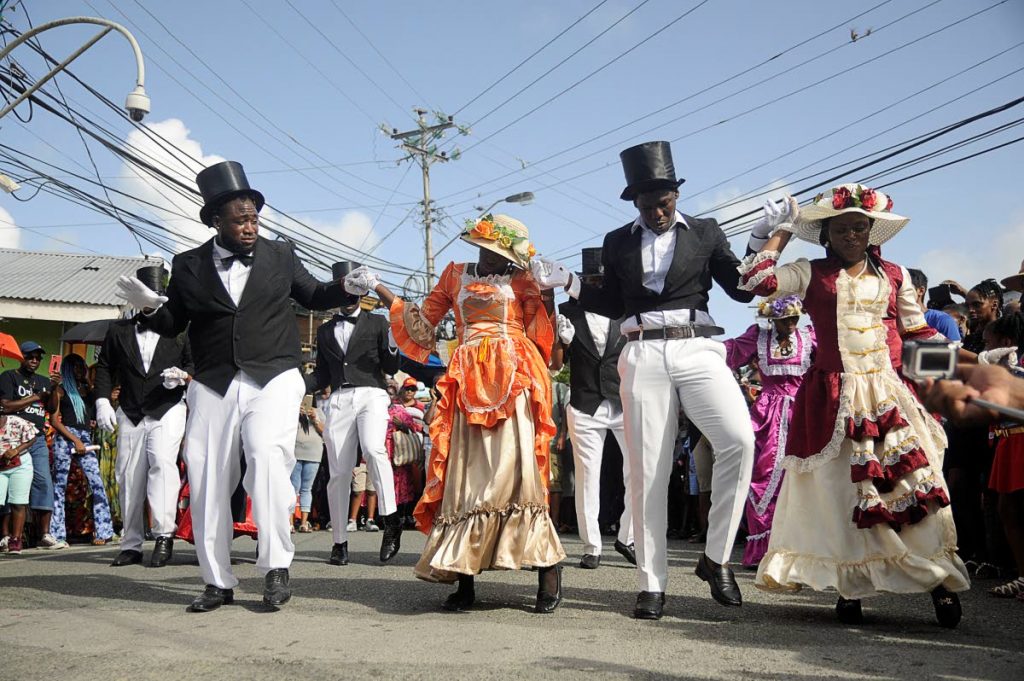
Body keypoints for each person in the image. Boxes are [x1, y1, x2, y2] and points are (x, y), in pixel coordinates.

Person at [532, 141, 758, 619]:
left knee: (739, 440)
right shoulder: (617, 241)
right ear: (634, 200)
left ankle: (715, 558)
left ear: (676, 194)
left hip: (698, 346)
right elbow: (612, 304)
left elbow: (740, 290)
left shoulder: (706, 232)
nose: (657, 210)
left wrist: (760, 243)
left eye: (665, 201)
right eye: (648, 203)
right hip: (641, 352)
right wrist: (570, 284)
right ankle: (651, 583)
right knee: (648, 471)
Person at [115, 160, 350, 612]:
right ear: (215, 221)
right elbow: (172, 322)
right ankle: (217, 580)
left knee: (265, 458)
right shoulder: (188, 265)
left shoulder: (280, 255)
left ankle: (276, 565)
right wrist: (148, 308)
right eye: (241, 219)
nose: (250, 226)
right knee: (205, 478)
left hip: (274, 375)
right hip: (214, 380)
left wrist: (346, 289)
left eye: (255, 218)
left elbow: (316, 296)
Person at [739, 183, 969, 628]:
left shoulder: (895, 275)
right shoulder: (808, 272)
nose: (852, 236)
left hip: (888, 394)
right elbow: (756, 283)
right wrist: (783, 229)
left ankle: (939, 581)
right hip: (832, 397)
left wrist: (970, 362)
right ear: (827, 235)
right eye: (842, 229)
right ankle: (851, 587)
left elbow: (919, 334)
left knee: (914, 483)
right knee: (841, 492)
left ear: (871, 232)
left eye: (860, 229)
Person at [348, 213, 565, 614]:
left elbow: (543, 341)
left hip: (514, 379)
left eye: (503, 254)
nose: (495, 259)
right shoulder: (454, 275)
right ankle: (464, 576)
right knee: (466, 478)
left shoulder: (523, 280)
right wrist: (379, 288)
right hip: (467, 382)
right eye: (490, 250)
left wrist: (549, 295)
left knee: (518, 476)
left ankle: (547, 569)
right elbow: (422, 325)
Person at [95, 265, 193, 568]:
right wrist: (101, 401)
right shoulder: (118, 330)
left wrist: (184, 375)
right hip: (131, 410)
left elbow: (196, 364)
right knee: (128, 475)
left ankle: (164, 535)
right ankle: (131, 543)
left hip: (168, 407)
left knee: (163, 465)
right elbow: (104, 367)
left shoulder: (181, 330)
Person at [307, 260, 402, 568]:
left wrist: (392, 344)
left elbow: (390, 368)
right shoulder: (323, 331)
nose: (349, 296)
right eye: (343, 290)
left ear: (362, 292)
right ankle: (339, 542)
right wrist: (294, 383)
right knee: (339, 471)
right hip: (338, 398)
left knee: (375, 449)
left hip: (372, 393)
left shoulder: (377, 323)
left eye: (354, 290)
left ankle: (391, 521)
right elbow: (321, 375)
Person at [555, 247, 635, 569]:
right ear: (581, 281)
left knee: (638, 473)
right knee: (589, 477)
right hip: (585, 404)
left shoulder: (625, 311)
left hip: (622, 402)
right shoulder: (564, 311)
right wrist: (562, 342)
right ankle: (592, 546)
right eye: (590, 279)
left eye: (601, 280)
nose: (596, 285)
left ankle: (626, 536)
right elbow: (554, 365)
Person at [723, 295, 815, 568]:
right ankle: (763, 549)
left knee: (804, 476)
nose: (791, 323)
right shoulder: (757, 338)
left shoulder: (811, 337)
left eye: (795, 318)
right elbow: (728, 355)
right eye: (785, 319)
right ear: (773, 319)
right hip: (767, 415)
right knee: (763, 477)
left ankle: (802, 549)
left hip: (803, 414)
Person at [0, 341, 64, 548]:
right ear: (22, 357)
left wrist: (53, 389)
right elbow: (6, 405)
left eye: (38, 358)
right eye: (30, 357)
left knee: (43, 482)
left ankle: (44, 534)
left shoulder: (44, 381)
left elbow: (52, 408)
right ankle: (6, 535)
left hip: (35, 439)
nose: (34, 361)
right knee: (9, 487)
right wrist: (35, 397)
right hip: (11, 439)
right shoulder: (9, 377)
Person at [50, 353, 115, 546]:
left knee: (97, 483)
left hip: (85, 437)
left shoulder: (87, 391)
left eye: (82, 366)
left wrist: (88, 380)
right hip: (66, 436)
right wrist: (75, 439)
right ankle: (57, 533)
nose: (80, 369)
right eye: (76, 367)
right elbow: (54, 420)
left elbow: (98, 407)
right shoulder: (61, 391)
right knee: (59, 486)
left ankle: (104, 530)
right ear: (68, 369)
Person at [0, 411, 38, 555]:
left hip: (20, 464)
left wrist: (16, 450)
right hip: (0, 467)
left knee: (18, 502)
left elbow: (32, 438)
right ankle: (3, 537)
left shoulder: (16, 421)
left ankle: (16, 539)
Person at [292, 397, 324, 534]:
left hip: (313, 454)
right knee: (293, 488)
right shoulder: (291, 410)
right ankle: (290, 522)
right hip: (294, 453)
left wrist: (315, 418)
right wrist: (294, 414)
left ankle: (304, 522)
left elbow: (325, 431)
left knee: (307, 488)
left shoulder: (319, 411)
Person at [907, 269, 961, 341]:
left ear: (920, 291)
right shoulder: (893, 321)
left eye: (905, 289)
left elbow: (954, 350)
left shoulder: (942, 320)